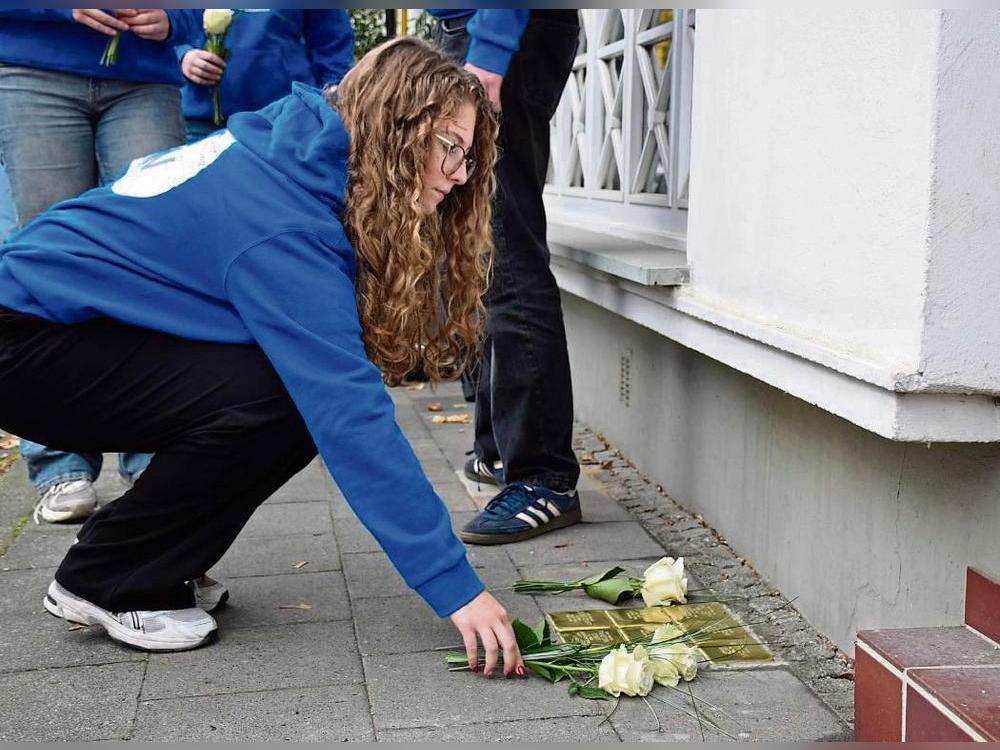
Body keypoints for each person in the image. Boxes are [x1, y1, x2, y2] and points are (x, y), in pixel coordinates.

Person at [0, 37, 524, 676]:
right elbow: (349, 412)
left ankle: (150, 559)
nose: (460, 174)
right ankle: (111, 579)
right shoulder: (286, 219)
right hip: (24, 343)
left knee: (269, 389)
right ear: (397, 129)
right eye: (450, 148)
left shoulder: (301, 152)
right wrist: (454, 585)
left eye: (468, 157)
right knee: (282, 398)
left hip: (65, 332)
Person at [0, 8, 201, 523]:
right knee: (48, 272)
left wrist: (176, 19)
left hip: (144, 79)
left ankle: (154, 460)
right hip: (32, 73)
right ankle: (58, 463)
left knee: (155, 269)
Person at [429, 10, 583, 544]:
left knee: (505, 253)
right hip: (478, 31)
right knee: (479, 251)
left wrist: (490, 50)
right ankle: (497, 451)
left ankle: (543, 475)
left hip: (500, 32)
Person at [176, 9, 354, 143]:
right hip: (202, 118)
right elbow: (165, 20)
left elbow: (332, 39)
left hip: (284, 118)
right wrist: (182, 55)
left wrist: (333, 91)